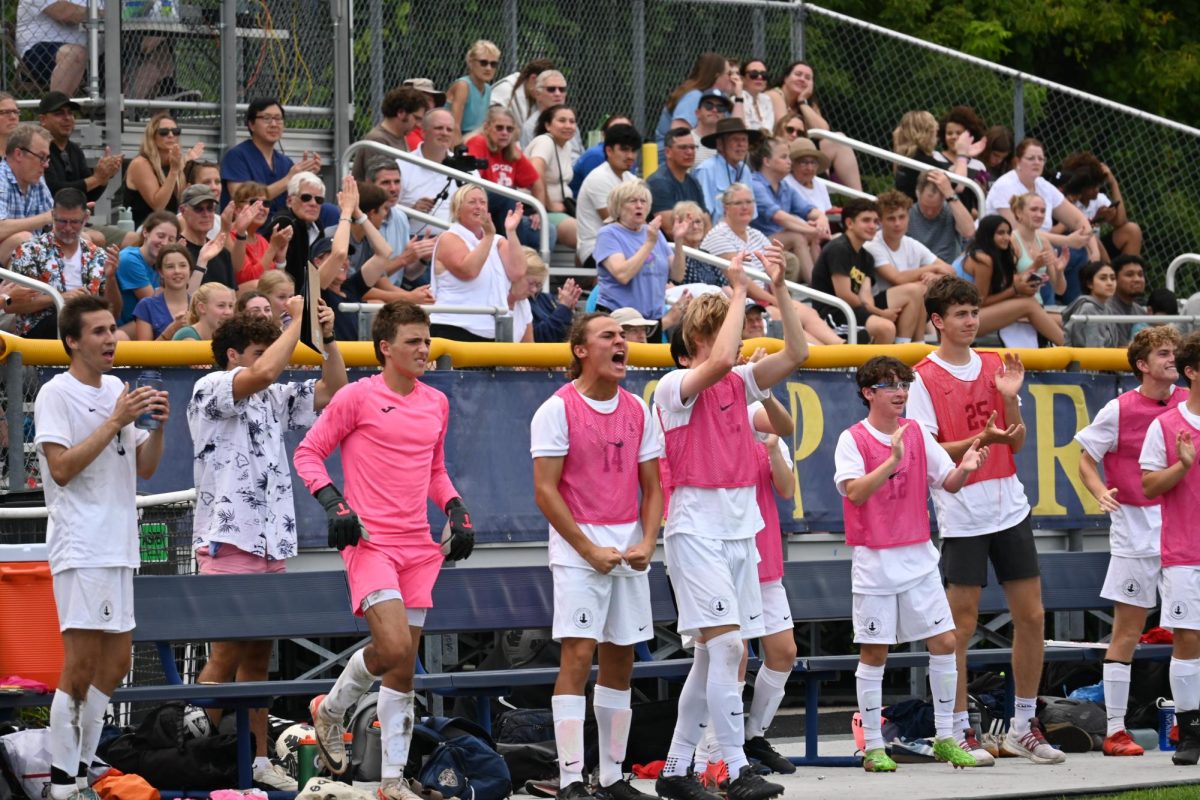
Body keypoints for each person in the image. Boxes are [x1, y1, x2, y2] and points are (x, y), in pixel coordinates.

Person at [294, 300, 477, 800]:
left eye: (427, 339)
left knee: (403, 668)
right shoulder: (356, 397)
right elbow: (308, 452)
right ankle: (330, 710)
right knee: (395, 647)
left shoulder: (436, 402)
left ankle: (393, 781)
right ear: (385, 348)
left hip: (420, 547)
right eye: (414, 341)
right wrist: (334, 505)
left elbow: (436, 471)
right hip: (370, 543)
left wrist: (457, 509)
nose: (424, 348)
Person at [652, 247, 803, 800]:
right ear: (702, 339)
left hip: (740, 529)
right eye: (729, 335)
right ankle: (735, 767)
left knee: (714, 654)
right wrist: (737, 288)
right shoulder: (675, 387)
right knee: (728, 650)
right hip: (697, 528)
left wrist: (779, 289)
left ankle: (675, 769)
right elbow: (716, 362)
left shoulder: (740, 386)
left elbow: (798, 351)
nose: (738, 347)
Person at [188, 300, 346, 790]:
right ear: (232, 353)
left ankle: (257, 761)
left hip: (271, 539)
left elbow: (333, 391)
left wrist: (328, 337)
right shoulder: (211, 385)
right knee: (227, 652)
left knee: (259, 657)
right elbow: (263, 372)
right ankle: (189, 750)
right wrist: (294, 324)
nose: (270, 358)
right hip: (227, 538)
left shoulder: (273, 394)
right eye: (257, 350)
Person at [907, 275, 1064, 766]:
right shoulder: (921, 377)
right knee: (961, 624)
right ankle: (957, 731)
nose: (971, 320)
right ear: (938, 320)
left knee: (1032, 616)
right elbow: (927, 451)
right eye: (960, 313)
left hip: (1009, 505)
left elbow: (1015, 442)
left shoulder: (997, 364)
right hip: (962, 512)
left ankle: (1023, 726)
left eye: (974, 311)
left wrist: (1011, 400)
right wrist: (983, 437)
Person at [34, 294, 168, 800]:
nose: (112, 338)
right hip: (81, 544)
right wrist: (114, 420)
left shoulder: (116, 387)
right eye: (99, 331)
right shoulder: (56, 393)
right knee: (81, 665)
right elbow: (62, 470)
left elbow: (146, 468)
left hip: (119, 543)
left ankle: (84, 764)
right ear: (72, 341)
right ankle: (61, 781)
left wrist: (157, 426)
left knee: (114, 666)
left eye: (114, 328)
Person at [531, 312, 663, 800]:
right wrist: (586, 548)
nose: (621, 342)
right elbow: (545, 492)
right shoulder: (557, 409)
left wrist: (648, 542)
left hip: (626, 551)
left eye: (624, 336)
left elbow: (653, 488)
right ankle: (570, 779)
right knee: (578, 654)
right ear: (581, 350)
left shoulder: (638, 409)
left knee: (621, 659)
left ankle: (610, 776)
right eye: (609, 335)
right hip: (577, 553)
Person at [835, 355, 985, 772]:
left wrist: (967, 469)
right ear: (869, 393)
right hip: (875, 561)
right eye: (890, 385)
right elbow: (855, 493)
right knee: (875, 652)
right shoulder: (853, 439)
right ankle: (874, 748)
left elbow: (947, 481)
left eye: (904, 384)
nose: (901, 392)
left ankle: (946, 738)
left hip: (918, 555)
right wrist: (890, 461)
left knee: (944, 642)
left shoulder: (917, 432)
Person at [1075, 325, 1185, 756]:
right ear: (1142, 364)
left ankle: (1183, 725)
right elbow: (1086, 459)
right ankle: (1116, 730)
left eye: (1174, 352)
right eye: (1162, 353)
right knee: (1127, 630)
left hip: (1181, 525)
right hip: (1134, 526)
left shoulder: (1187, 403)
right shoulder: (1118, 409)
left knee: (1188, 632)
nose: (1171, 359)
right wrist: (1098, 490)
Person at [1139, 330, 1200, 766]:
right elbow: (1147, 485)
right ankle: (1191, 731)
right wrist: (1182, 466)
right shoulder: (1166, 425)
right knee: (1188, 638)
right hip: (1184, 551)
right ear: (1192, 372)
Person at [700, 183, 840, 346]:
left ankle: (843, 347)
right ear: (726, 208)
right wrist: (776, 300)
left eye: (749, 202)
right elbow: (741, 280)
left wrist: (779, 298)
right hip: (744, 301)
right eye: (739, 203)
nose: (745, 207)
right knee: (786, 318)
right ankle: (827, 357)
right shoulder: (718, 235)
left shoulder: (755, 233)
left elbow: (771, 269)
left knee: (808, 313)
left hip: (764, 298)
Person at [984, 138, 1093, 302]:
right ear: (1018, 161)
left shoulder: (1043, 186)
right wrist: (1068, 240)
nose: (1037, 162)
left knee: (1079, 254)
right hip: (1005, 249)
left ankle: (1074, 308)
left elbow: (1079, 219)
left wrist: (1094, 251)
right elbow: (1019, 231)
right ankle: (1059, 310)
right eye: (1031, 158)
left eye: (1041, 159)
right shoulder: (1005, 185)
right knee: (1062, 253)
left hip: (1039, 246)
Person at [809, 199, 926, 344]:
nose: (872, 226)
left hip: (854, 310)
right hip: (833, 314)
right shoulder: (839, 248)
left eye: (875, 221)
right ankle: (880, 365)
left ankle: (907, 349)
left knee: (915, 290)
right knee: (885, 328)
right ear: (849, 223)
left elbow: (866, 296)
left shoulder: (867, 257)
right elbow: (844, 294)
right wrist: (881, 313)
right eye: (866, 220)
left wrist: (877, 312)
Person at [8, 187, 119, 339]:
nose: (67, 228)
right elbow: (12, 305)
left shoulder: (97, 255)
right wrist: (60, 298)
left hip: (90, 327)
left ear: (85, 218)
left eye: (74, 222)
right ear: (53, 216)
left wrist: (111, 278)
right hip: (41, 331)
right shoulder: (29, 251)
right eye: (61, 221)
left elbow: (114, 312)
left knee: (116, 334)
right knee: (80, 324)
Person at [428, 184, 525, 341]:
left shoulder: (498, 241)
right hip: (453, 327)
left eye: (482, 202)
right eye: (472, 202)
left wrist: (511, 232)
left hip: (492, 331)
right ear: (457, 209)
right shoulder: (449, 237)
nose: (479, 207)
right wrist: (488, 237)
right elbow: (468, 271)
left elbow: (518, 272)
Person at [592, 181, 686, 334]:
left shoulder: (654, 233)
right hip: (620, 320)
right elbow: (622, 274)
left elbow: (677, 275)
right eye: (632, 201)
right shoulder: (608, 234)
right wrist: (649, 243)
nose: (639, 205)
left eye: (643, 201)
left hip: (652, 320)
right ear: (618, 206)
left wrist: (679, 240)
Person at [961, 214, 1064, 346]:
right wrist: (1015, 290)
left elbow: (1011, 284)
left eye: (1008, 233)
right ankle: (1070, 350)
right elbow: (980, 302)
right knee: (1029, 305)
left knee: (1054, 317)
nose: (1007, 237)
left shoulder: (993, 257)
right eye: (1000, 233)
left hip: (971, 314)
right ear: (988, 234)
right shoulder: (983, 259)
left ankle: (1070, 348)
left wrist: (1026, 283)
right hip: (961, 318)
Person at [766, 61, 861, 191]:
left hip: (802, 153)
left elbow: (824, 132)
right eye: (798, 74)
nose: (802, 79)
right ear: (785, 78)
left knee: (839, 140)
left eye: (807, 78)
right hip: (780, 149)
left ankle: (859, 197)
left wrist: (802, 102)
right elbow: (784, 128)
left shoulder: (808, 103)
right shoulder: (775, 95)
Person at [466, 107, 551, 250]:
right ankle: (516, 255)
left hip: (506, 212)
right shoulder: (477, 142)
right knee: (505, 195)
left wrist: (537, 211)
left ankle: (530, 266)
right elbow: (472, 184)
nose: (504, 133)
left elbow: (536, 182)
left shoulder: (512, 152)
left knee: (548, 231)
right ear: (487, 127)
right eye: (499, 128)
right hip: (480, 205)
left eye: (509, 129)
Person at [748, 137, 828, 282]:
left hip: (776, 240)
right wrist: (812, 229)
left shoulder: (784, 186)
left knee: (812, 235)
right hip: (756, 243)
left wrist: (821, 219)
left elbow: (809, 210)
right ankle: (815, 287)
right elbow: (779, 217)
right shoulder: (755, 184)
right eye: (784, 157)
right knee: (796, 236)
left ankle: (823, 283)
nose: (789, 161)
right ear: (767, 161)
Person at [221, 98, 321, 213]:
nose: (274, 124)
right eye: (267, 118)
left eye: (278, 119)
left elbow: (296, 202)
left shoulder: (285, 162)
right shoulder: (237, 156)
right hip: (249, 227)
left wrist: (307, 178)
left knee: (329, 211)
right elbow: (241, 199)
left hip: (282, 226)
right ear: (251, 124)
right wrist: (288, 179)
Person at [362, 164, 436, 296]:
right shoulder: (361, 219)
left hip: (395, 295)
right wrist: (403, 260)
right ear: (369, 184)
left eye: (397, 182)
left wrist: (422, 258)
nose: (393, 188)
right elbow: (365, 280)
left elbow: (409, 275)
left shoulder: (400, 216)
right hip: (370, 297)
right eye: (385, 182)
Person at [396, 109, 471, 235]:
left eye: (449, 130)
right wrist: (411, 211)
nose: (444, 133)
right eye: (439, 128)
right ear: (423, 132)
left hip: (459, 239)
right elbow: (385, 213)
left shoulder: (466, 165)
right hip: (415, 240)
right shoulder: (401, 165)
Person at [576, 124, 642, 269]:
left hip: (627, 244)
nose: (630, 156)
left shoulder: (632, 179)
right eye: (624, 149)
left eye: (633, 150)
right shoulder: (598, 178)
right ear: (609, 150)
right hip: (596, 248)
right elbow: (614, 223)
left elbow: (641, 220)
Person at [863, 190, 954, 293]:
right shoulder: (872, 246)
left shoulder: (911, 243)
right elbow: (898, 279)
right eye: (891, 219)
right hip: (882, 303)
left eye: (902, 217)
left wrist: (936, 277)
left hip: (909, 300)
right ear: (880, 221)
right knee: (919, 289)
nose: (897, 223)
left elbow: (951, 271)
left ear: (908, 217)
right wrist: (934, 268)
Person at [39, 91, 121, 202]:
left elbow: (88, 196)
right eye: (59, 113)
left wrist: (104, 176)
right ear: (43, 120)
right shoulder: (37, 149)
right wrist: (97, 178)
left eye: (70, 113)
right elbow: (53, 190)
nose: (67, 118)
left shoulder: (74, 150)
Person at [655, 53, 742, 157]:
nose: (732, 78)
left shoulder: (719, 100)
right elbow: (678, 137)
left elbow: (737, 131)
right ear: (717, 76)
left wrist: (739, 97)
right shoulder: (694, 97)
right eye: (728, 74)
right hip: (672, 162)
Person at [1057, 151, 1142, 258]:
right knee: (1093, 239)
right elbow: (1066, 232)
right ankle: (1109, 272)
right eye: (1092, 187)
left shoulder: (1098, 199)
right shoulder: (1066, 200)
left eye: (1098, 184)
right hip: (1073, 249)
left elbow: (1121, 222)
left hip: (1096, 249)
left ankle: (1129, 271)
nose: (1096, 189)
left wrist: (1113, 183)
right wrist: (1095, 220)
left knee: (1132, 230)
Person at [124, 112, 201, 228]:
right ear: (152, 136)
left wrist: (186, 164)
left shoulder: (174, 163)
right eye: (164, 132)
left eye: (175, 132)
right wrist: (175, 170)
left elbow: (182, 203)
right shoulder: (140, 164)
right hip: (143, 229)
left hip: (169, 227)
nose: (171, 135)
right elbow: (158, 206)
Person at [0, 123, 56, 261]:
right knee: (24, 239)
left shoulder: (36, 180)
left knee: (86, 238)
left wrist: (73, 218)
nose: (46, 164)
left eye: (47, 158)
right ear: (19, 154)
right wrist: (47, 217)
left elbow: (54, 221)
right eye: (41, 157)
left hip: (33, 253)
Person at [526, 104, 579, 248]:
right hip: (537, 211)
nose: (568, 125)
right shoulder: (545, 141)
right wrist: (545, 206)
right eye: (562, 120)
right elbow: (536, 170)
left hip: (561, 209)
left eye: (572, 121)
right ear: (548, 125)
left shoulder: (566, 146)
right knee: (584, 234)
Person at [115, 210, 179, 327]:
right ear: (145, 232)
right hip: (122, 330)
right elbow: (156, 304)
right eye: (160, 236)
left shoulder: (160, 263)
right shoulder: (129, 259)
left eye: (171, 239)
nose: (164, 243)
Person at [351, 86, 429, 181]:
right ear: (401, 113)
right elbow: (378, 186)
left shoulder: (401, 136)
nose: (419, 125)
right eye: (416, 118)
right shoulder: (377, 140)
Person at [693, 118, 761, 223]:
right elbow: (703, 216)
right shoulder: (706, 170)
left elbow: (750, 215)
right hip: (714, 234)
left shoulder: (745, 170)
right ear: (720, 144)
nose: (741, 144)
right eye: (735, 140)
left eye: (744, 140)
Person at [16, 0, 88, 94]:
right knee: (74, 54)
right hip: (38, 52)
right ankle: (58, 106)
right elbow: (64, 13)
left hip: (90, 54)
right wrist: (106, 13)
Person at [648, 127, 709, 234]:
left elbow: (706, 221)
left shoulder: (693, 181)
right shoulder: (658, 182)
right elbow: (671, 230)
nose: (689, 152)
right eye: (683, 148)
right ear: (668, 152)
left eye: (692, 147)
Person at [230, 181, 290, 288]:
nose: (262, 207)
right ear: (237, 209)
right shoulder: (230, 238)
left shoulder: (262, 240)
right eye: (254, 202)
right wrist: (273, 248)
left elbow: (278, 285)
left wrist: (280, 259)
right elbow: (250, 281)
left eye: (266, 203)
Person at [177, 185, 238, 290]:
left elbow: (232, 295)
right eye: (198, 209)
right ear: (183, 211)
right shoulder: (177, 250)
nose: (206, 214)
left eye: (210, 208)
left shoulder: (222, 253)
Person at [1009, 192, 1067, 303]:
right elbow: (1007, 285)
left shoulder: (1044, 242)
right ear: (1019, 212)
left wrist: (1059, 271)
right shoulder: (1011, 241)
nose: (1039, 215)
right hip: (1014, 306)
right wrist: (1035, 266)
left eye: (1042, 211)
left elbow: (1060, 290)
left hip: (1036, 305)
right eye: (1034, 209)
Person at [908, 170, 974, 263]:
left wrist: (949, 193)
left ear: (944, 198)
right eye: (925, 207)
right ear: (917, 194)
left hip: (948, 271)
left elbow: (969, 232)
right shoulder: (907, 213)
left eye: (936, 208)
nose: (930, 212)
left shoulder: (952, 209)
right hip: (918, 271)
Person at [132, 244, 192, 341]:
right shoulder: (146, 306)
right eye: (170, 267)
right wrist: (172, 329)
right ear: (160, 272)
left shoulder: (200, 306)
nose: (177, 271)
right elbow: (144, 354)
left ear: (190, 270)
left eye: (183, 265)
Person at [445, 39, 500, 141]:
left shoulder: (488, 89)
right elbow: (454, 126)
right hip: (452, 139)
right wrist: (461, 154)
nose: (488, 68)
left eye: (493, 64)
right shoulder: (463, 86)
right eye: (483, 63)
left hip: (474, 139)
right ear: (471, 62)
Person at [569, 115, 635, 199]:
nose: (622, 134)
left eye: (627, 129)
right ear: (604, 135)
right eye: (615, 130)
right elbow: (599, 195)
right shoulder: (596, 155)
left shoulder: (630, 154)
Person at [525, 247, 581, 343]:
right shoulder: (513, 302)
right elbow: (540, 338)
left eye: (538, 285)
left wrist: (570, 311)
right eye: (530, 283)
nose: (534, 289)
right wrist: (563, 308)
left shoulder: (546, 298)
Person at [1062, 262, 1123, 348]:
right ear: (1089, 284)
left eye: (1113, 278)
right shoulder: (1088, 308)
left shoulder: (1108, 309)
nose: (1110, 283)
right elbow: (1093, 348)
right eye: (1103, 278)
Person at [935, 106, 990, 201]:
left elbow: (982, 198)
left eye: (958, 133)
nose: (953, 137)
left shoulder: (978, 166)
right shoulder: (935, 157)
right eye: (949, 133)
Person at [518, 70, 579, 154]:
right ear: (537, 94)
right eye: (551, 89)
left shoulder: (569, 119)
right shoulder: (531, 126)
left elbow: (579, 152)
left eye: (562, 89)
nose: (558, 93)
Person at [891, 111, 943, 202]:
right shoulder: (924, 162)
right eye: (935, 132)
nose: (937, 136)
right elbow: (957, 186)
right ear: (928, 133)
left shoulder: (905, 157)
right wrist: (962, 155)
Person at [490, 58, 554, 128]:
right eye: (543, 86)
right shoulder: (506, 89)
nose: (544, 91)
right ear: (533, 78)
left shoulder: (533, 97)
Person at [782, 137, 832, 215]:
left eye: (813, 163)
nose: (810, 168)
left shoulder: (820, 185)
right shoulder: (785, 184)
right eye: (804, 163)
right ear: (792, 164)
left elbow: (828, 214)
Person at [1107, 255, 1149, 342]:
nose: (1137, 279)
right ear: (1115, 279)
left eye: (1140, 275)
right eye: (1129, 275)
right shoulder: (1107, 309)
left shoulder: (1140, 311)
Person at [690, 90, 732, 167]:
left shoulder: (728, 145)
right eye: (708, 106)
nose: (715, 110)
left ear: (724, 116)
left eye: (720, 107)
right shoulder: (686, 140)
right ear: (697, 113)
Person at [738, 60, 775, 132]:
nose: (760, 77)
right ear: (743, 79)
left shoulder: (766, 99)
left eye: (764, 74)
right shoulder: (737, 100)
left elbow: (769, 130)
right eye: (754, 74)